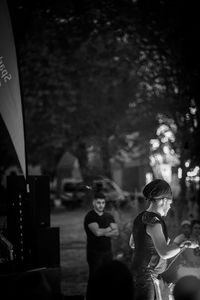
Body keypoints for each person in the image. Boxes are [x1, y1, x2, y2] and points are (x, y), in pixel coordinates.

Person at [131, 179, 199, 300]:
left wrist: (172, 245)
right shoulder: (154, 222)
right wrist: (186, 244)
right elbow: (164, 252)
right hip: (147, 279)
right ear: (163, 200)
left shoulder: (140, 217)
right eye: (170, 203)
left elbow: (132, 244)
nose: (169, 207)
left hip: (137, 275)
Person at [84, 191, 119, 300]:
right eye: (98, 202)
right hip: (94, 253)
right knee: (94, 279)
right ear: (93, 202)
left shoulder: (109, 216)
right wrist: (109, 229)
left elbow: (116, 233)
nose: (101, 205)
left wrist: (104, 232)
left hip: (108, 252)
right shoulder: (90, 216)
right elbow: (97, 232)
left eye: (103, 203)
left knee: (108, 278)